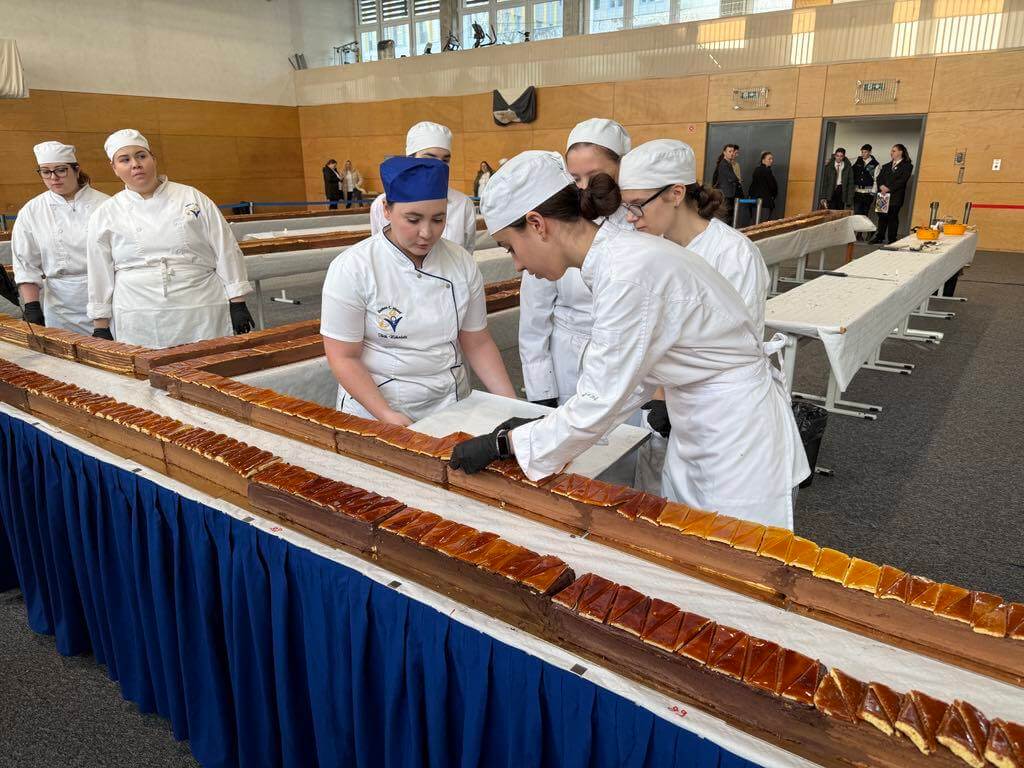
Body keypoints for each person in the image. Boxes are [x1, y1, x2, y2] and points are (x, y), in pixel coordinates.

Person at [451, 151, 808, 528]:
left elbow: (600, 400)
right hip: (705, 418)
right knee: (691, 539)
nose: (518, 264)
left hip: (735, 435)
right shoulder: (621, 258)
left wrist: (506, 445)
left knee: (733, 556)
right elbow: (631, 379)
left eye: (510, 247)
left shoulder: (626, 273)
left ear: (538, 224)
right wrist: (538, 435)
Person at [619, 140, 771, 496]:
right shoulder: (644, 246)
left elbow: (735, 350)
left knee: (711, 522)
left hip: (717, 415)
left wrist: (664, 394)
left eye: (637, 206)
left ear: (675, 193)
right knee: (656, 510)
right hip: (660, 406)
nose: (630, 217)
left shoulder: (733, 255)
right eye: (627, 207)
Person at [321, 156, 515, 425]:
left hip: (449, 402)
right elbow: (343, 356)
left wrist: (512, 406)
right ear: (387, 209)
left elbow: (477, 341)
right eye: (413, 220)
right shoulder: (353, 268)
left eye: (438, 219)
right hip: (377, 405)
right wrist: (386, 414)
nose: (427, 232)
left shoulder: (460, 262)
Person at [87, 129, 255, 348]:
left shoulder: (191, 197)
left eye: (141, 156)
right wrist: (101, 324)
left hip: (199, 304)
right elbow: (99, 269)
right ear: (114, 168)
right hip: (138, 310)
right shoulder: (106, 212)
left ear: (153, 159)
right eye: (125, 159)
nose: (135, 164)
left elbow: (225, 247)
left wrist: (237, 301)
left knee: (209, 365)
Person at [518, 118, 631, 408]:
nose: (584, 189)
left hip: (629, 362)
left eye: (594, 177)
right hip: (570, 364)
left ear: (622, 168)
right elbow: (535, 315)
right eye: (575, 178)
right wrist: (541, 391)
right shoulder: (559, 221)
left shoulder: (642, 222)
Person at [11, 141, 109, 334]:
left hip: (105, 298)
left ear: (76, 169)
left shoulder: (105, 204)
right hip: (60, 305)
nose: (53, 177)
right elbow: (25, 263)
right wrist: (32, 307)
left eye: (61, 170)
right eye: (45, 172)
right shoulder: (32, 210)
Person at [369, 122, 477, 253]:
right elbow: (380, 250)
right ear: (410, 159)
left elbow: (467, 252)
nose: (438, 166)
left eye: (445, 160)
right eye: (429, 159)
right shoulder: (384, 204)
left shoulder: (463, 204)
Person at [871, 144, 913, 245]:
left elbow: (902, 181)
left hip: (895, 196)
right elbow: (879, 178)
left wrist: (889, 188)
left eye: (894, 151)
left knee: (892, 217)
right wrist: (881, 186)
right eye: (891, 151)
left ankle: (892, 238)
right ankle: (879, 236)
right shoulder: (886, 166)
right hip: (883, 195)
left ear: (900, 152)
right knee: (881, 216)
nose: (891, 153)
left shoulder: (907, 166)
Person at [852, 144, 880, 242]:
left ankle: (869, 230)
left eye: (865, 152)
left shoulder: (874, 164)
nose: (863, 154)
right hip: (857, 191)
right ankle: (860, 233)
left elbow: (876, 180)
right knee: (857, 213)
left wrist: (873, 192)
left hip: (868, 192)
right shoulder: (858, 161)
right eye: (862, 152)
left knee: (864, 214)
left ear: (870, 152)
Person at [712, 144, 743, 225]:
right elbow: (733, 177)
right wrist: (737, 179)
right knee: (725, 218)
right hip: (726, 195)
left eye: (733, 151)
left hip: (728, 194)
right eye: (729, 151)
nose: (732, 153)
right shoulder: (723, 164)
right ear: (724, 153)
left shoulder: (728, 163)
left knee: (728, 218)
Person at [747, 151, 778, 221]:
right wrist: (773, 196)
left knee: (755, 222)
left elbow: (753, 186)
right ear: (763, 160)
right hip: (765, 203)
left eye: (772, 159)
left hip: (755, 201)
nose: (771, 161)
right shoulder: (767, 171)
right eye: (769, 159)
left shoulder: (757, 170)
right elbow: (772, 186)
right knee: (762, 223)